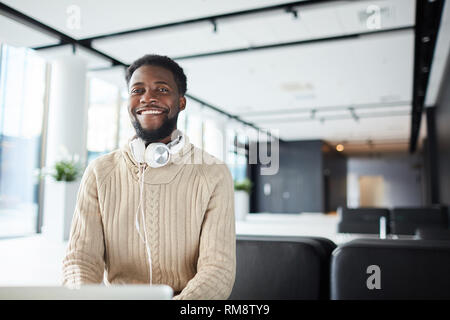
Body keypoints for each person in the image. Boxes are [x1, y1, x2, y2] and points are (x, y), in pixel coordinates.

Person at [62, 54, 236, 300]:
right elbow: (81, 260)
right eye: (137, 90)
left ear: (182, 102)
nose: (148, 97)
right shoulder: (100, 171)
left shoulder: (213, 173)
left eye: (162, 89)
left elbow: (218, 271)